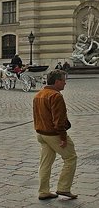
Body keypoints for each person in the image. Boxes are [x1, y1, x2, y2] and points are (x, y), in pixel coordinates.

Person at [33, 70, 77, 201]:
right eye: (63, 80)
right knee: (71, 158)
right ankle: (64, 188)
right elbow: (59, 120)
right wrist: (63, 138)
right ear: (57, 81)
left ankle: (43, 191)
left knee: (45, 163)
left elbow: (36, 116)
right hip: (53, 134)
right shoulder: (56, 96)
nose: (65, 83)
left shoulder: (38, 94)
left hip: (41, 134)